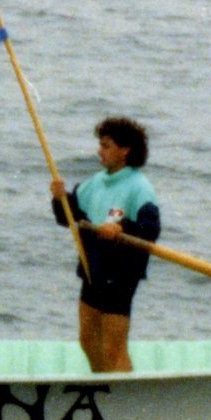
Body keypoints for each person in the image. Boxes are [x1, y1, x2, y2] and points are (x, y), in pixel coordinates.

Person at [50, 117, 160, 375]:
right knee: (87, 340)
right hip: (93, 269)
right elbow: (68, 218)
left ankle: (124, 392)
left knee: (113, 348)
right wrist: (60, 198)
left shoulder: (139, 187)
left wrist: (121, 228)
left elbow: (150, 229)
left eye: (106, 146)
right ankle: (103, 386)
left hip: (121, 275)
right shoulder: (94, 183)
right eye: (100, 145)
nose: (99, 151)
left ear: (125, 150)